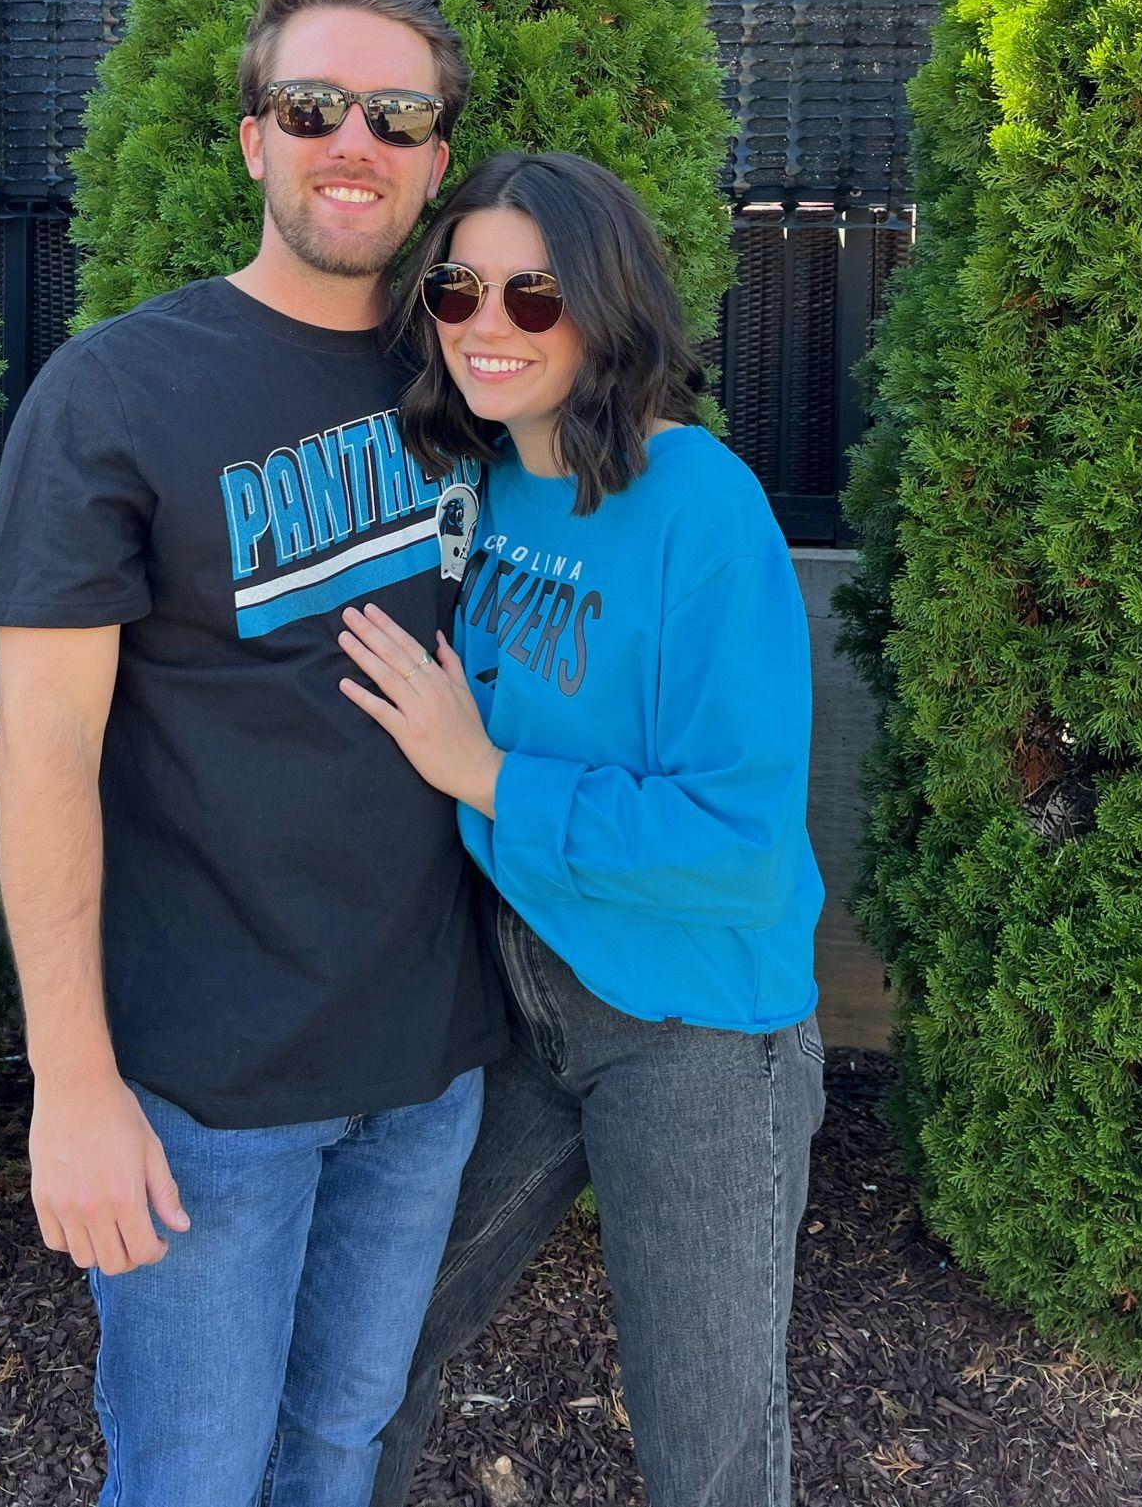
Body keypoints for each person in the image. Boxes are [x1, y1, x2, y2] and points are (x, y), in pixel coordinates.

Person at [0, 0, 510, 1505]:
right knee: (192, 1473)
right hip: (200, 1087)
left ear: (433, 160)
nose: (354, 141)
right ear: (252, 138)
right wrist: (71, 1082)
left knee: (337, 1448)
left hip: (427, 1062)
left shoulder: (477, 378)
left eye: (396, 117)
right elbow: (42, 754)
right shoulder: (114, 395)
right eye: (313, 104)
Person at [338, 150, 828, 1507]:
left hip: (692, 1031)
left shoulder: (699, 506)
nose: (487, 324)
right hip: (513, 998)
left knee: (705, 1441)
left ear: (604, 306)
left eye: (534, 294)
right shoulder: (485, 483)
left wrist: (488, 774)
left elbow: (738, 843)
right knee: (368, 1349)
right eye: (458, 291)